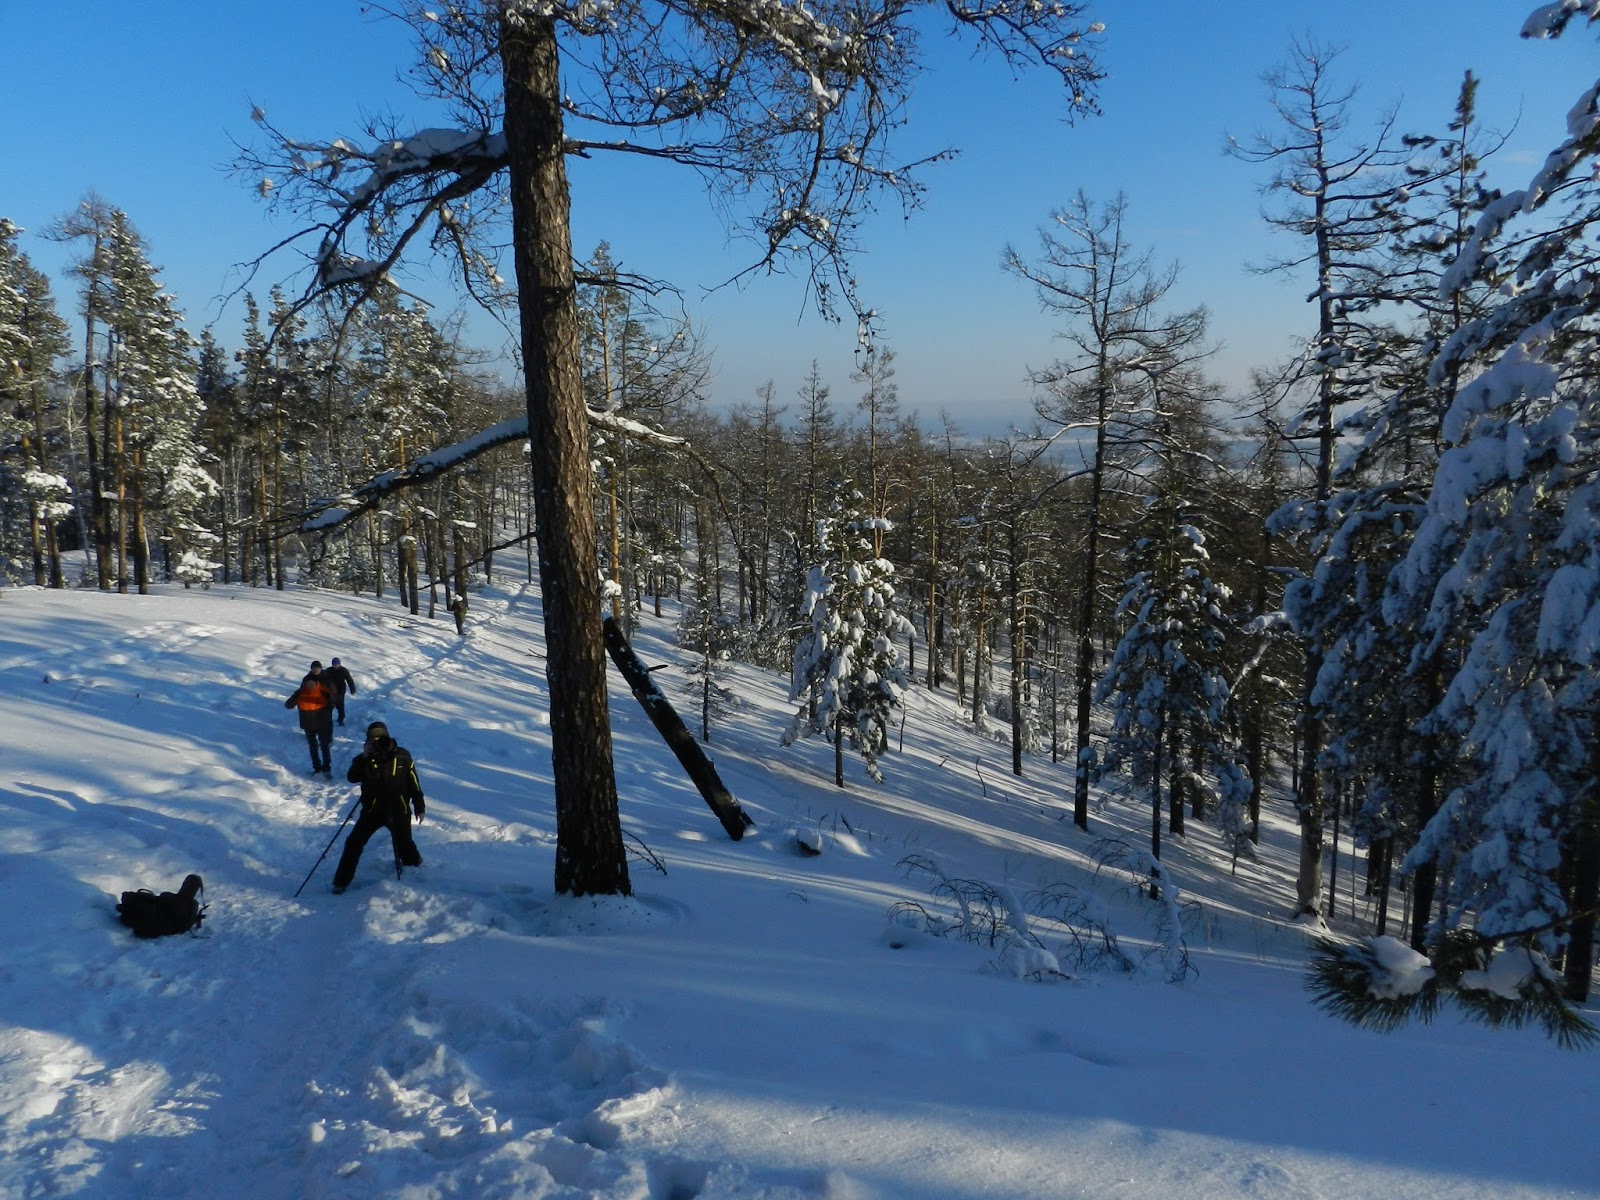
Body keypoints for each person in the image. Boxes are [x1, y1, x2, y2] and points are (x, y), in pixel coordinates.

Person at [331, 720, 425, 894]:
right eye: (372, 740)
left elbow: (414, 783)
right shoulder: (362, 759)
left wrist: (419, 806)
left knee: (404, 844)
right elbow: (352, 777)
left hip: (399, 810)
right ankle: (341, 882)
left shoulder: (403, 756)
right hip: (372, 812)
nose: (377, 743)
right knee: (353, 843)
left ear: (388, 738)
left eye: (380, 739)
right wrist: (364, 758)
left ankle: (415, 864)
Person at [284, 661, 335, 775]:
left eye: (312, 684)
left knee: (322, 746)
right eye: (308, 684)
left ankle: (324, 767)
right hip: (311, 724)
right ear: (306, 684)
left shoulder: (321, 690)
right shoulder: (302, 692)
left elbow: (333, 698)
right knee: (316, 746)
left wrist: (329, 709)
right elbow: (288, 705)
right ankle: (319, 767)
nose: (310, 686)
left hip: (319, 723)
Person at [325, 656, 358, 725]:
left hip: (340, 691)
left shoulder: (344, 670)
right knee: (330, 706)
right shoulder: (328, 670)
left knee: (340, 706)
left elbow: (349, 679)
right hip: (331, 691)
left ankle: (341, 720)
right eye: (334, 665)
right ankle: (328, 720)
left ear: (339, 664)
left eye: (337, 664)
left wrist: (352, 689)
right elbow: (323, 680)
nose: (335, 666)